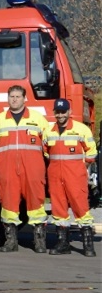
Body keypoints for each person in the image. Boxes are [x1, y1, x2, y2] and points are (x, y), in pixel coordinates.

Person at [0, 85, 50, 253]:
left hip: (32, 169)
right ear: (7, 98)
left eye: (18, 96)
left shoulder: (38, 119)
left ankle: (39, 241)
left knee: (36, 204)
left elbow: (48, 143)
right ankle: (11, 241)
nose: (14, 99)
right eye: (12, 96)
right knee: (8, 205)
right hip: (7, 169)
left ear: (25, 98)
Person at [44, 98, 97, 256]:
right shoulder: (49, 131)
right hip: (55, 175)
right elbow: (46, 151)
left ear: (69, 112)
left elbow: (91, 151)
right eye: (58, 112)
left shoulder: (81, 130)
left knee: (80, 207)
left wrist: (83, 166)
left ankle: (88, 245)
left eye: (63, 111)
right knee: (59, 209)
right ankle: (63, 243)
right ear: (54, 113)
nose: (60, 115)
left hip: (75, 175)